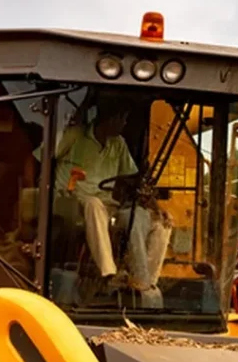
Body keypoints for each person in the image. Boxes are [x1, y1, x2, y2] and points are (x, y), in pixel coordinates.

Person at [52, 99, 172, 305]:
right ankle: (109, 272)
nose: (125, 124)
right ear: (111, 118)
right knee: (93, 204)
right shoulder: (74, 136)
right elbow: (41, 158)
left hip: (107, 205)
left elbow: (133, 178)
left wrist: (154, 206)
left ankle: (146, 283)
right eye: (123, 119)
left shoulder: (118, 144)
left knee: (152, 220)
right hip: (68, 202)